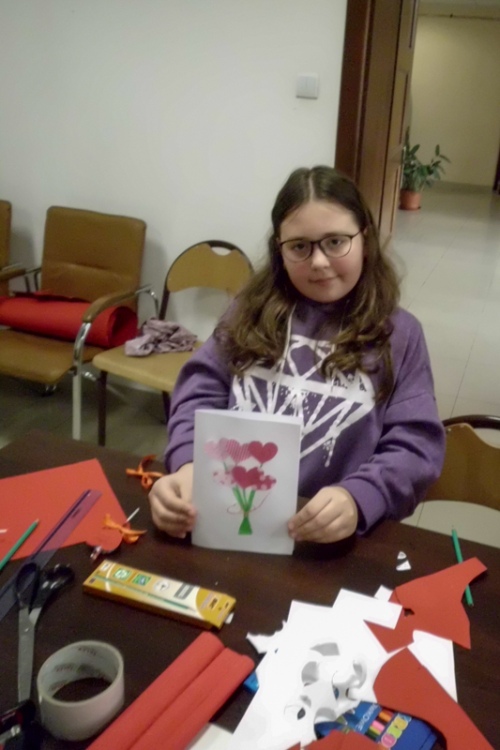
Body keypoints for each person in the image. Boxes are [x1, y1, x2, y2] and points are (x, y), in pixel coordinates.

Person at [149, 166, 445, 543]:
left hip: (332, 544)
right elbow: (199, 393)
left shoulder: (400, 335)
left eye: (335, 241)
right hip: (229, 527)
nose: (318, 261)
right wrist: (188, 465)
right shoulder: (247, 312)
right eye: (300, 247)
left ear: (365, 240)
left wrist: (360, 498)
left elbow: (415, 446)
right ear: (280, 250)